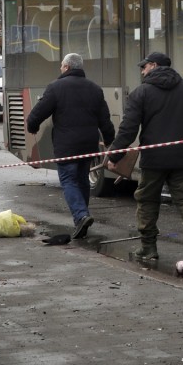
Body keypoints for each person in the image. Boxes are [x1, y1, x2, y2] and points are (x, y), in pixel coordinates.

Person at [106, 52, 183, 262]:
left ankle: (148, 248)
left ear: (154, 65)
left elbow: (128, 129)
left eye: (144, 67)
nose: (142, 71)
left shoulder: (141, 93)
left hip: (153, 159)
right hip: (182, 156)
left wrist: (115, 155)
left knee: (147, 200)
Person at [27, 53, 116, 239]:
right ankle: (81, 220)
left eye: (61, 65)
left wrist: (32, 126)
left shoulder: (55, 87)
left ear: (67, 67)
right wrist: (109, 140)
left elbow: (37, 114)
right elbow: (105, 120)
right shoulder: (94, 89)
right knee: (82, 180)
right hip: (88, 145)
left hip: (66, 146)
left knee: (68, 180)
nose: (60, 68)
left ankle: (81, 215)